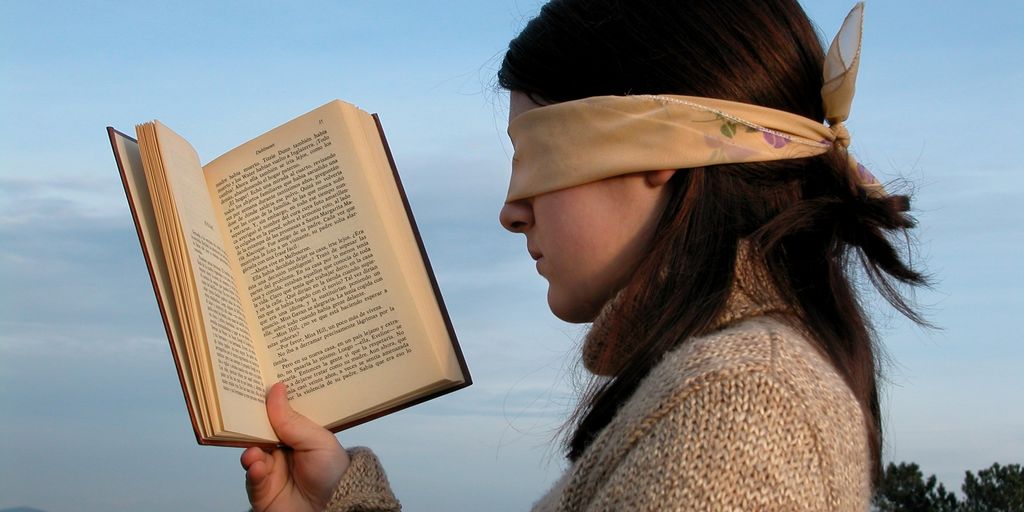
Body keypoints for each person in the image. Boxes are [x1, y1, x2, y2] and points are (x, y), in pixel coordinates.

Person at [241, 1, 929, 510]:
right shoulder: (738, 387)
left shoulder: (746, 409)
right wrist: (337, 500)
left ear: (655, 147)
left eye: (534, 154)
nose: (512, 210)